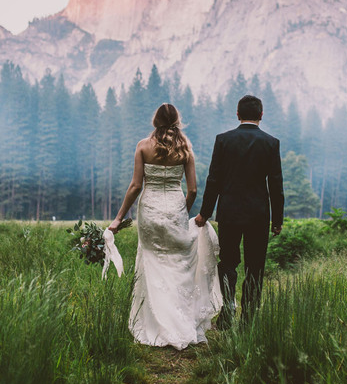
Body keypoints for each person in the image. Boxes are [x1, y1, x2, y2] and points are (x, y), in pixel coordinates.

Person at [109, 103, 222, 350]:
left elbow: (135, 186)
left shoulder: (143, 146)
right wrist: (183, 210)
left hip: (149, 210)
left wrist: (118, 218)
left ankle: (155, 322)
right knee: (178, 262)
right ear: (176, 121)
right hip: (175, 208)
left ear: (155, 120)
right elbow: (192, 190)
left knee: (152, 261)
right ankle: (180, 321)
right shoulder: (185, 148)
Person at [195, 95, 284, 329]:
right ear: (261, 115)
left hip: (229, 213)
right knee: (255, 267)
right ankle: (248, 321)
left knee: (228, 263)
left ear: (237, 114)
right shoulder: (271, 143)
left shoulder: (223, 140)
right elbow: (276, 185)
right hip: (258, 216)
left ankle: (227, 313)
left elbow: (213, 180)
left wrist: (205, 213)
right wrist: (277, 220)